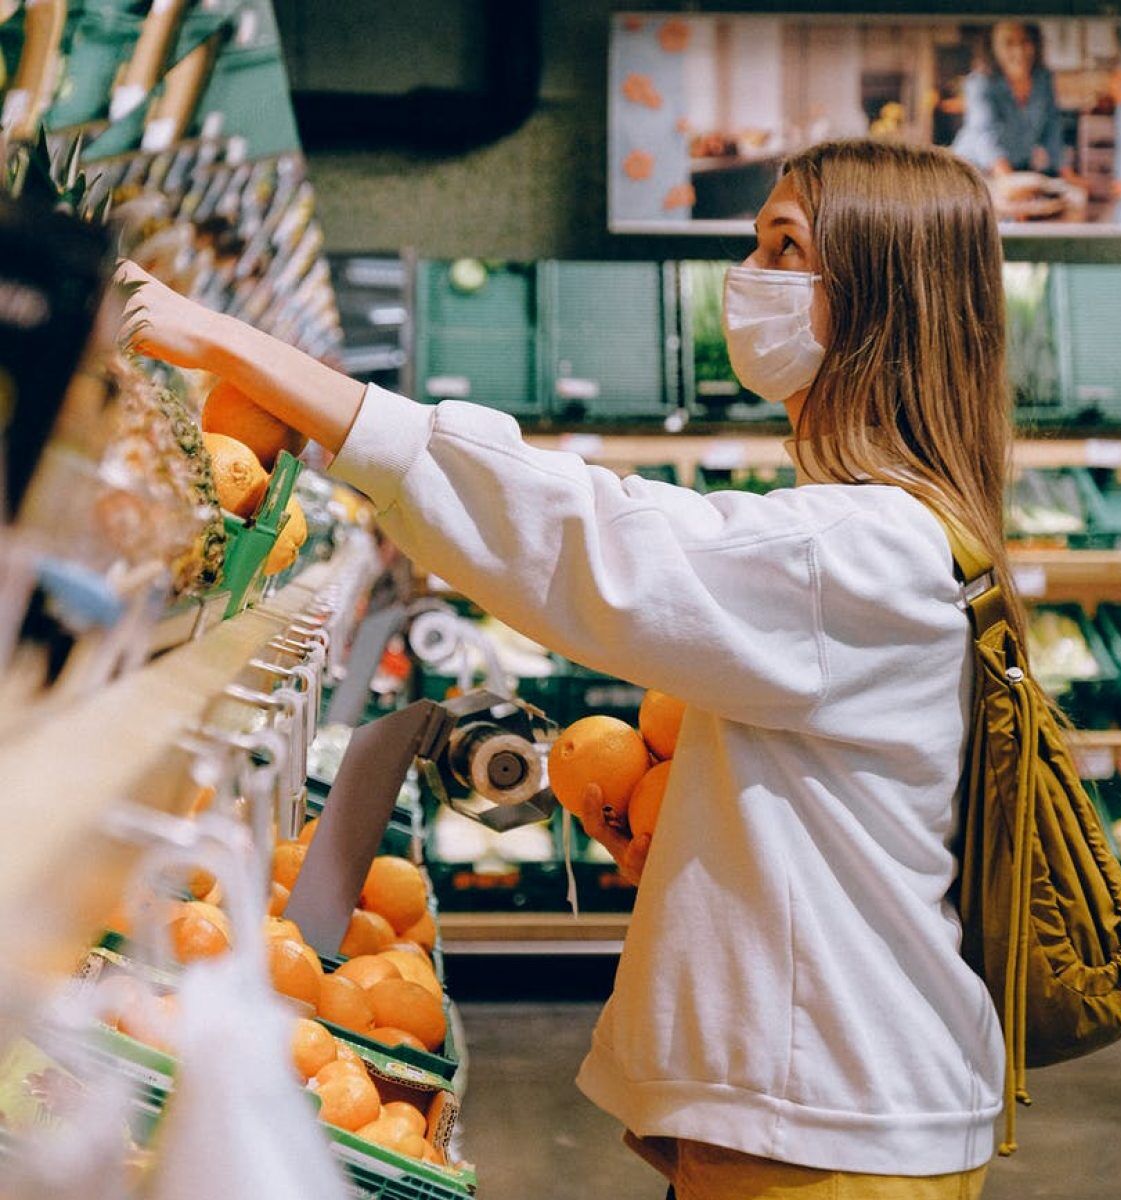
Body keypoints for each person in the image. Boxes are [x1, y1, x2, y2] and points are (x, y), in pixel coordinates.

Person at [123, 137, 1018, 1199]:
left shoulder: (861, 548)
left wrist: (227, 343)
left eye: (786, 248)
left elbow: (589, 535)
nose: (748, 276)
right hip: (827, 1101)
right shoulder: (894, 531)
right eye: (756, 241)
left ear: (881, 295)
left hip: (838, 1121)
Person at [952, 21, 1064, 177]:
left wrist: (1065, 172)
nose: (1019, 51)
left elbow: (1053, 128)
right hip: (971, 171)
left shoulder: (1043, 79)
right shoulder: (980, 83)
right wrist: (1008, 179)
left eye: (1025, 41)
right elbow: (984, 134)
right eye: (1008, 43)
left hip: (1016, 168)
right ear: (992, 47)